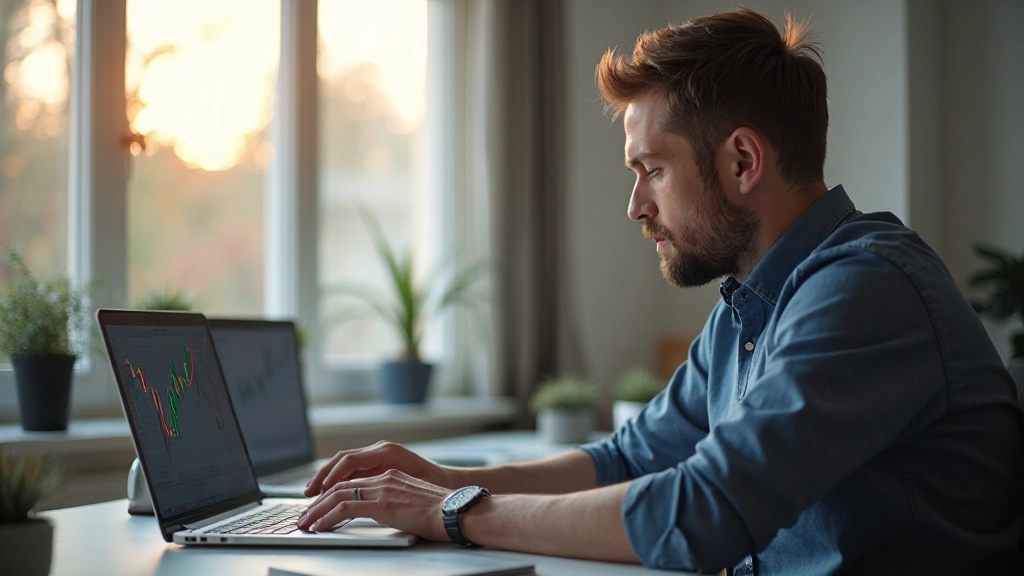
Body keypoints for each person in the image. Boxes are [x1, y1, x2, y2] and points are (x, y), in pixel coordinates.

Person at [297, 7, 1024, 574]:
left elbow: (703, 511)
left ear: (743, 160)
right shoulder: (749, 307)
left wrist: (454, 510)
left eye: (652, 169)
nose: (635, 206)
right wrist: (433, 477)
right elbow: (626, 460)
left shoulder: (868, 290)